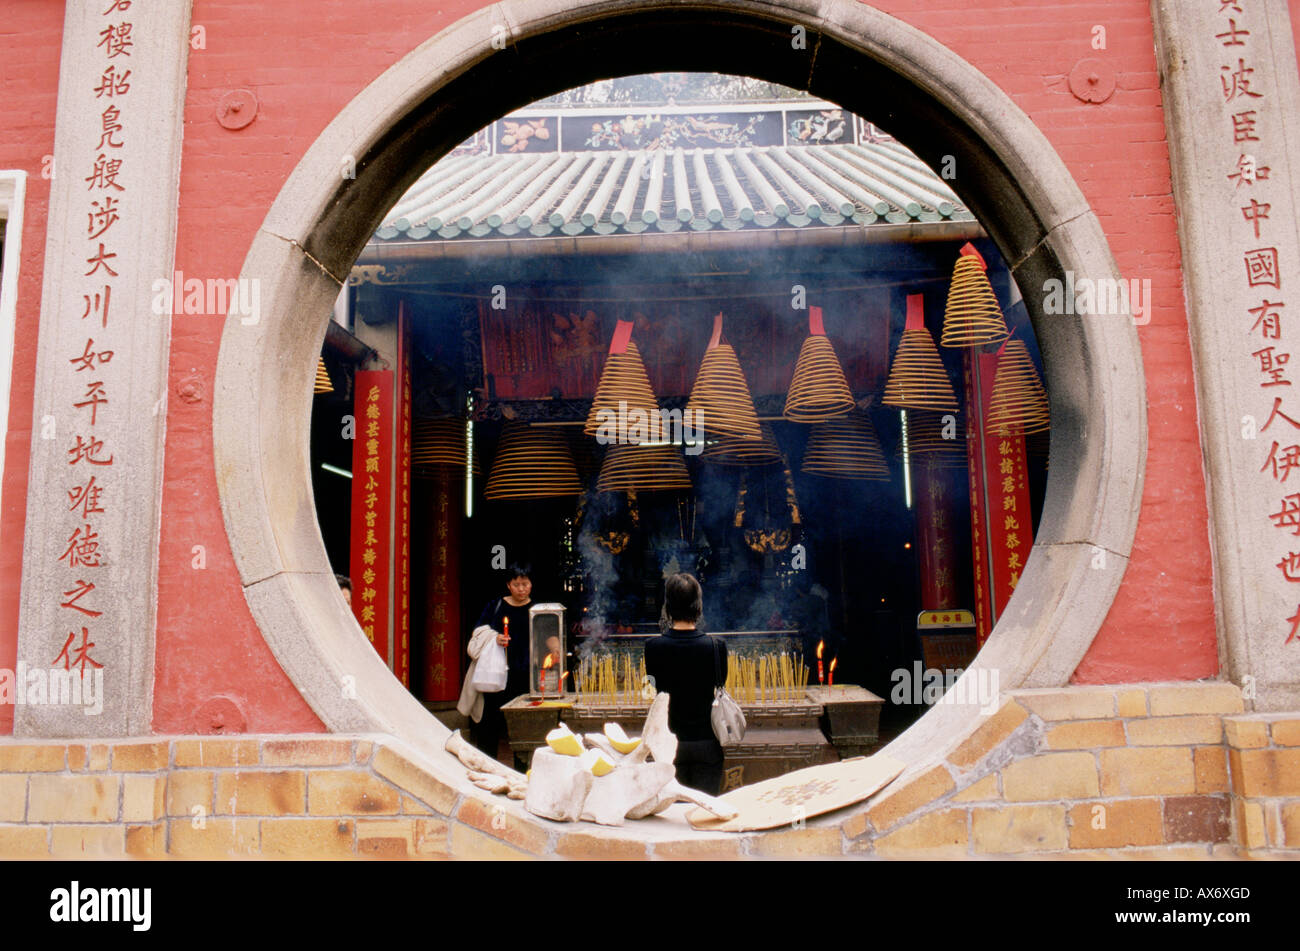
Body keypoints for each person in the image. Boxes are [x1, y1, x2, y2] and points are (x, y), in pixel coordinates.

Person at [644, 572, 728, 795]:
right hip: (707, 744)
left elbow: (650, 690)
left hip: (668, 745)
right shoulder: (716, 647)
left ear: (667, 607)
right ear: (698, 606)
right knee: (705, 813)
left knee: (670, 819)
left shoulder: (652, 648)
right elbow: (720, 684)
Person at [458, 562, 534, 763]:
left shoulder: (536, 609)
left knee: (522, 726)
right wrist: (495, 638)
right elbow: (479, 633)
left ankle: (521, 770)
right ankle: (486, 764)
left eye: (525, 584)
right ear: (508, 585)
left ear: (531, 584)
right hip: (495, 674)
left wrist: (554, 649)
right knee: (489, 723)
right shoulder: (495, 606)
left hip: (524, 676)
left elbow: (547, 635)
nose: (521, 589)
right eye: (517, 584)